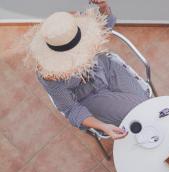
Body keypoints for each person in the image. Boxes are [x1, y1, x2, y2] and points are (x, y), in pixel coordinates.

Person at [24, 0, 149, 140]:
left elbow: (106, 23)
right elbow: (71, 109)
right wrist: (103, 126)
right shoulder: (49, 73)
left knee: (146, 104)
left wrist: (102, 6)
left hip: (107, 69)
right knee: (142, 109)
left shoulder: (75, 30)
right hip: (88, 96)